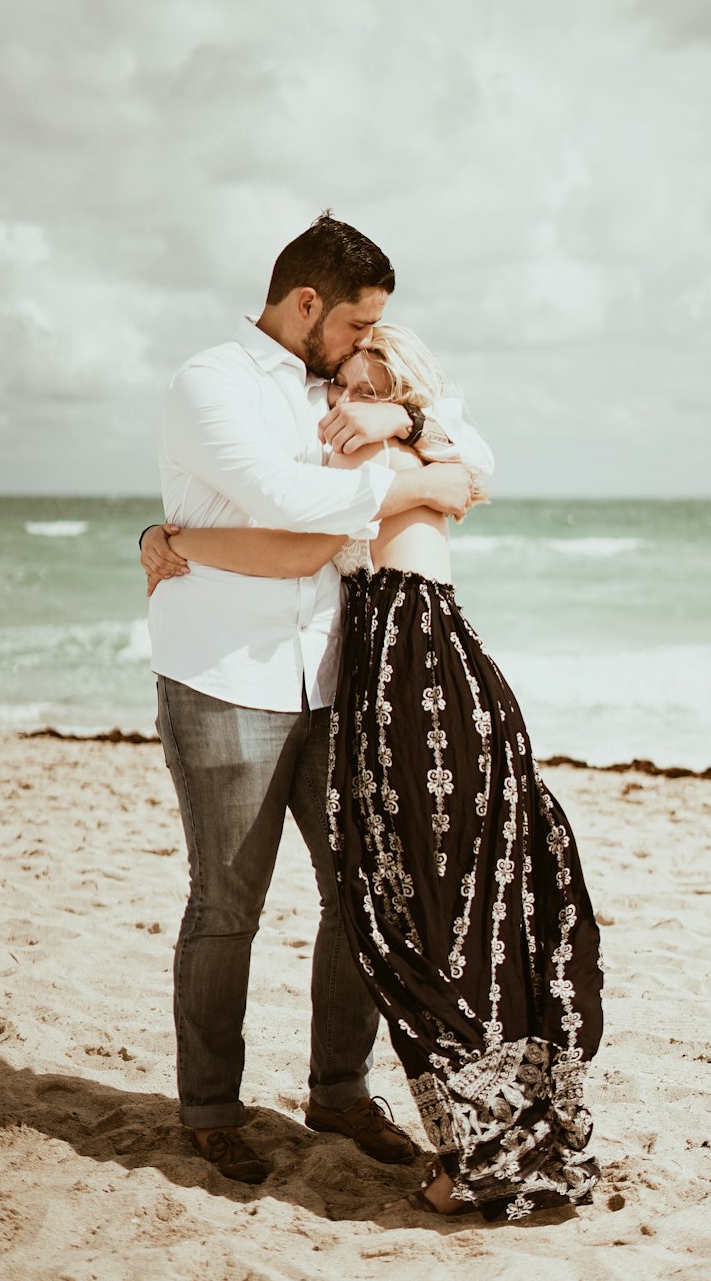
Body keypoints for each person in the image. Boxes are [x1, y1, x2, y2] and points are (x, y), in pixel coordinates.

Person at [142, 323, 603, 1221]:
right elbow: (424, 489)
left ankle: (434, 1122)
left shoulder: (397, 453)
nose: (337, 404)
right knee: (402, 908)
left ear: (395, 390)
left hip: (414, 693)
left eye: (359, 385)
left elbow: (315, 544)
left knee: (415, 916)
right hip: (401, 684)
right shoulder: (386, 455)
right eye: (337, 387)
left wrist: (176, 538)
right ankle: (445, 1122)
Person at [145, 213, 493, 1184]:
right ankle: (210, 1107)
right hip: (224, 675)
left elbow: (480, 455)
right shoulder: (208, 382)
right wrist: (430, 479)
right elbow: (291, 508)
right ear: (306, 304)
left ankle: (338, 1092)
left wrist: (408, 426)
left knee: (359, 899)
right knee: (226, 905)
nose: (363, 345)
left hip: (344, 678)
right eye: (354, 324)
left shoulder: (358, 382)